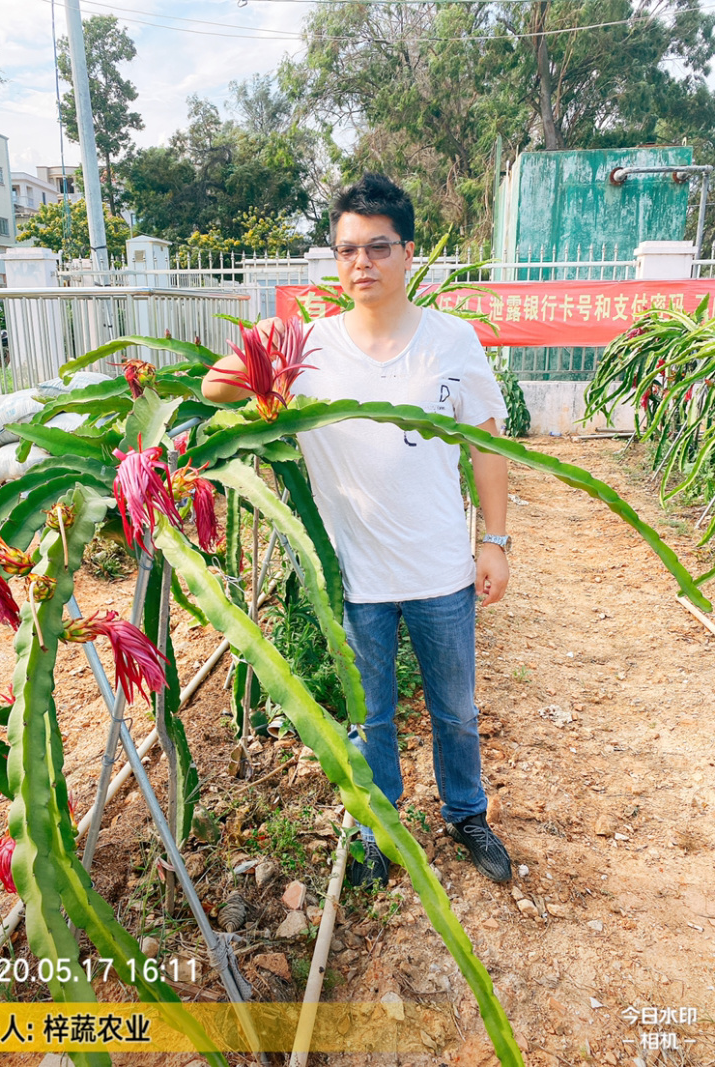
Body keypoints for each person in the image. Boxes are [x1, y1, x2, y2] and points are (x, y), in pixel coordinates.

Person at [203, 173, 512, 886]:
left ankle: (466, 813)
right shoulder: (304, 343)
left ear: (408, 252)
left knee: (457, 711)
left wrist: (494, 541)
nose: (360, 263)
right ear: (333, 259)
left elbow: (488, 446)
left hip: (441, 567)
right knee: (370, 716)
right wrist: (267, 365)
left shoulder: (451, 341)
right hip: (354, 573)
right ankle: (380, 823)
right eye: (346, 249)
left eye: (378, 246)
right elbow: (211, 387)